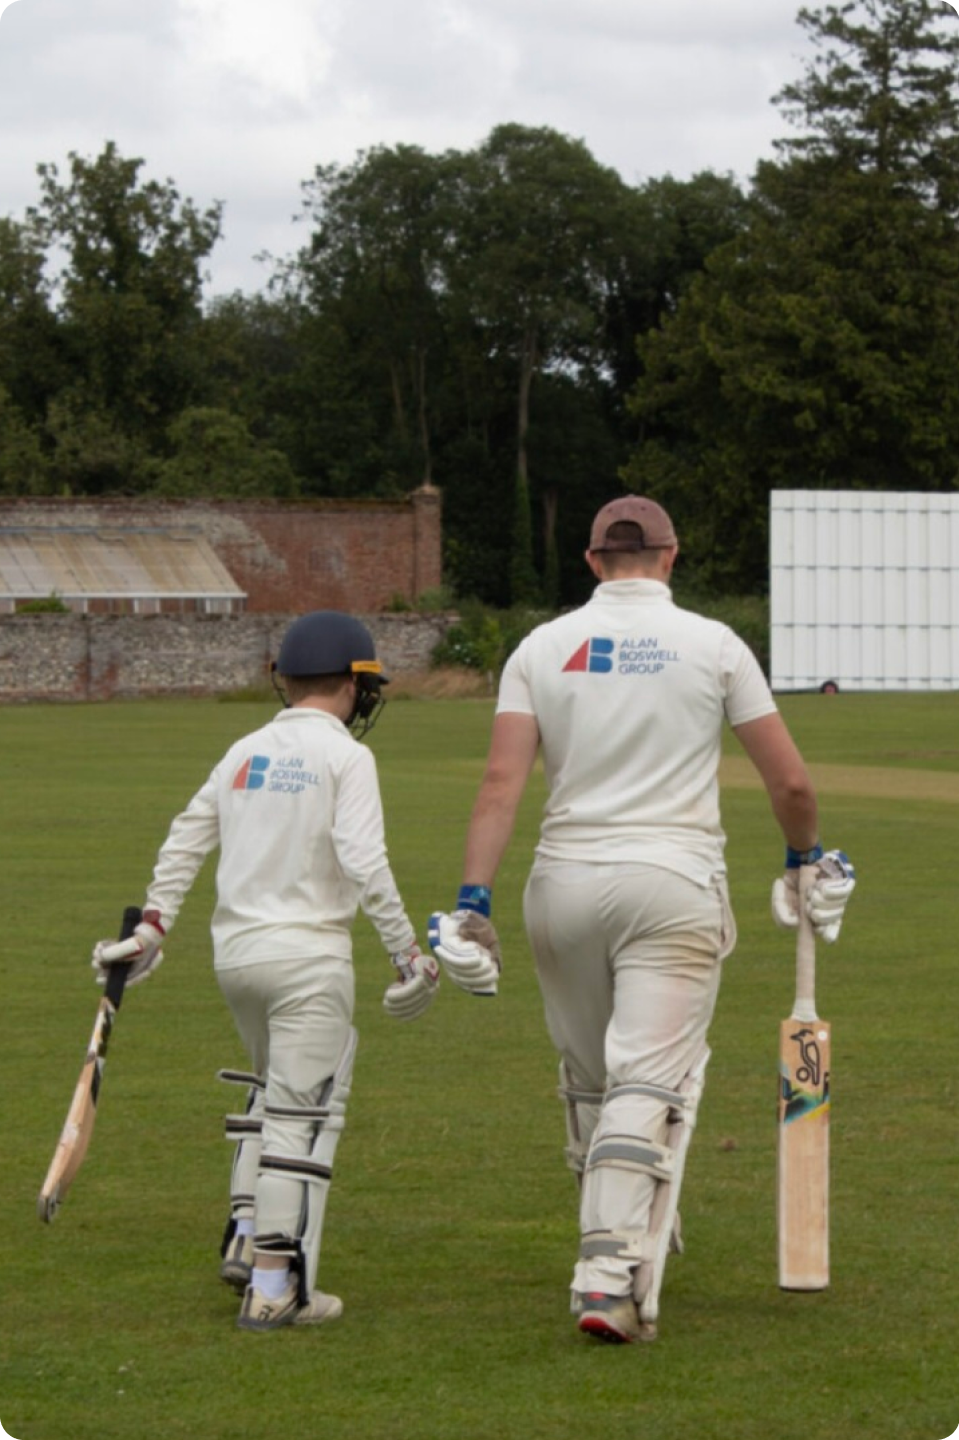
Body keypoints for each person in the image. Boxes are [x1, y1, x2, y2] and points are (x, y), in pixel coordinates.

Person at [428, 496, 855, 1344]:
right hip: (671, 882)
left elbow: (501, 787)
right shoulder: (715, 644)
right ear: (671, 556)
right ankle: (605, 1278)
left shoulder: (540, 647)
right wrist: (805, 859)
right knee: (645, 1082)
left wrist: (472, 903)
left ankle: (635, 1213)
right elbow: (793, 786)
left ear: (592, 561)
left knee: (594, 1081)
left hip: (561, 888)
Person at [92, 611, 442, 1332]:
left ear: (286, 680)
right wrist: (408, 952)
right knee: (297, 1115)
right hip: (309, 959)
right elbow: (364, 861)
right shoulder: (347, 757)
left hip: (238, 960)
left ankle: (249, 1238)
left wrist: (156, 924)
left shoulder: (245, 749)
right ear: (353, 683)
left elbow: (187, 836)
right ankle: (277, 1288)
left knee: (269, 1097)